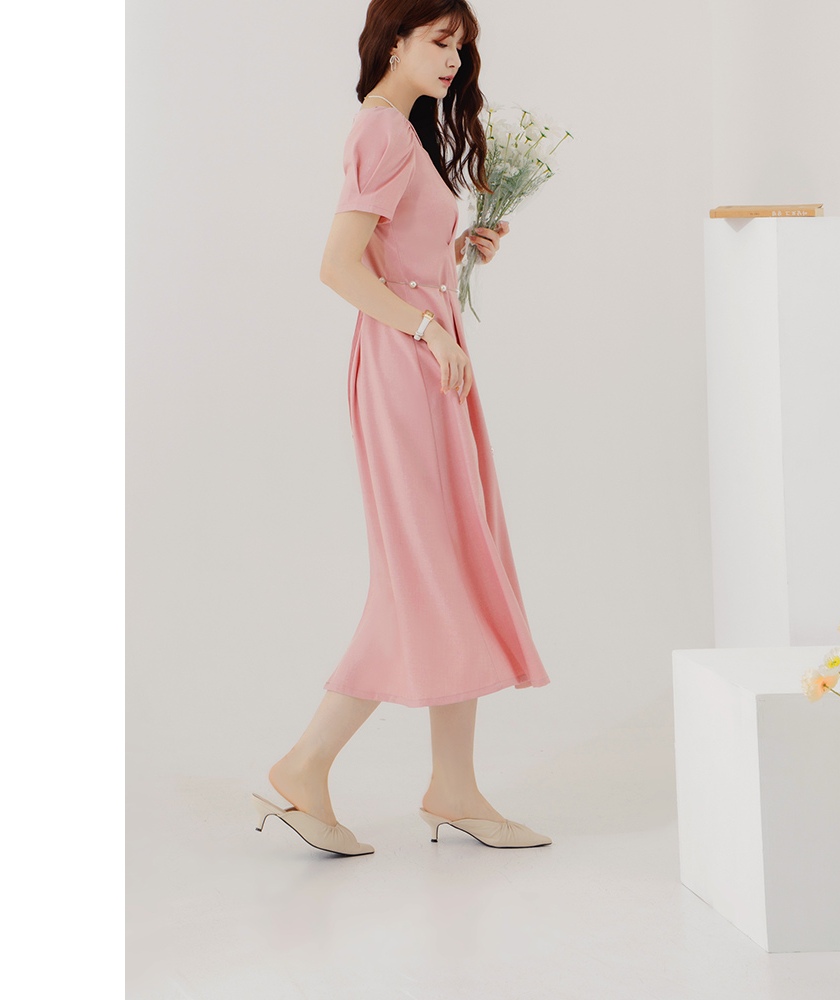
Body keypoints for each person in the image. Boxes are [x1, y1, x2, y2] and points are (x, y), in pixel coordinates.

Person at [252, 0, 552, 856]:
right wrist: (425, 327)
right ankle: (308, 765)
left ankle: (450, 785)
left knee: (452, 565)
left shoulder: (401, 131)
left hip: (428, 361)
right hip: (407, 365)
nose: (454, 59)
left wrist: (458, 251)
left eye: (462, 45)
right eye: (439, 41)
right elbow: (337, 267)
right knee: (427, 572)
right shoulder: (381, 130)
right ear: (394, 41)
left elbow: (393, 258)